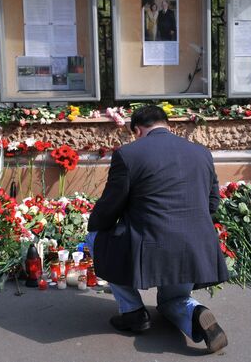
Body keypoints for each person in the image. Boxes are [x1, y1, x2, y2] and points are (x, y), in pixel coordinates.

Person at [86, 105, 228, 353]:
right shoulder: (201, 152)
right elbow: (213, 203)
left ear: (138, 130)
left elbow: (112, 204)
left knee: (95, 237)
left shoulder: (129, 154)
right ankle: (197, 313)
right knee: (172, 300)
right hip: (195, 245)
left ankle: (133, 312)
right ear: (167, 125)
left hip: (151, 244)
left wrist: (98, 228)